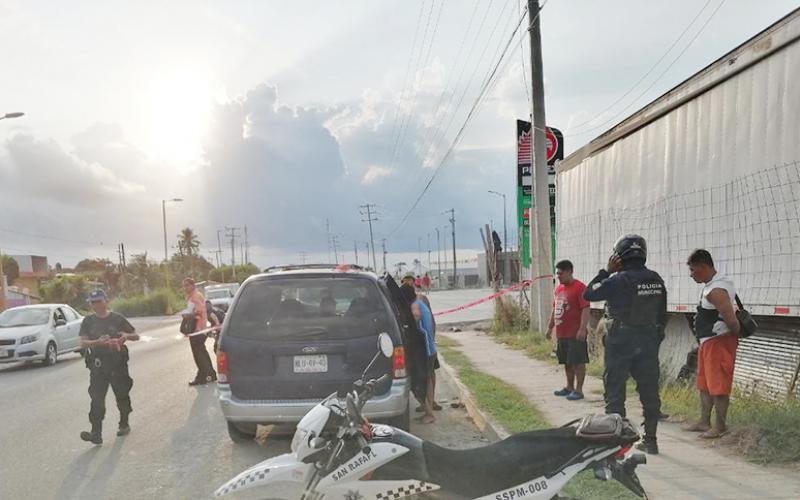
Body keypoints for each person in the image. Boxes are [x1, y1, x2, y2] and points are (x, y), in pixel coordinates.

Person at [583, 234, 667, 455]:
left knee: (615, 391)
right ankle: (651, 439)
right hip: (647, 340)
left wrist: (606, 271)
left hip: (620, 340)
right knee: (649, 391)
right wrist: (655, 336)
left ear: (618, 256)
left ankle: (616, 444)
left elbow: (588, 293)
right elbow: (662, 313)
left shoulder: (617, 280)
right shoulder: (656, 279)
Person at [684, 249, 740, 439]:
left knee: (719, 385)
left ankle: (720, 426)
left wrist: (731, 337)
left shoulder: (717, 290)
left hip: (718, 343)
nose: (691, 274)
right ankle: (704, 421)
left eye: (693, 270)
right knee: (705, 384)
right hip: (708, 342)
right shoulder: (711, 285)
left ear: (703, 266)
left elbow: (731, 320)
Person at [79, 290, 139, 445]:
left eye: (99, 301)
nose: (97, 305)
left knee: (122, 394)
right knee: (97, 398)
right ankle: (96, 432)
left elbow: (136, 335)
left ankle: (124, 423)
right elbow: (83, 342)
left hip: (117, 363)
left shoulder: (117, 318)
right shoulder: (88, 321)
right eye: (93, 302)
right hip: (98, 366)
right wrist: (97, 342)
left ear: (106, 301)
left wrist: (125, 337)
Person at [546, 260, 590, 401]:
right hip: (562, 333)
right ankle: (569, 387)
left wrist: (582, 329)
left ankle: (579, 390)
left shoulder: (580, 288)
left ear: (570, 272)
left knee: (578, 362)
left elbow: (585, 308)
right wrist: (550, 327)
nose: (558, 276)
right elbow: (555, 308)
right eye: (557, 273)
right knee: (567, 362)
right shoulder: (559, 289)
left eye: (561, 273)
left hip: (575, 334)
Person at [406, 287, 437, 424]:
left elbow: (416, 316)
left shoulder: (415, 305)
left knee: (422, 382)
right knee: (428, 381)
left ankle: (429, 414)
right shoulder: (421, 303)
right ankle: (427, 410)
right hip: (430, 349)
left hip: (426, 350)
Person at [182, 278, 217, 385]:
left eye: (187, 285)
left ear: (193, 285)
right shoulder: (194, 296)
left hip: (198, 330)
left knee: (198, 354)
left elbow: (200, 312)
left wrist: (188, 315)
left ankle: (203, 376)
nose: (185, 287)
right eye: (184, 285)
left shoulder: (195, 296)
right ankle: (209, 374)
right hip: (199, 330)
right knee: (201, 353)